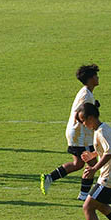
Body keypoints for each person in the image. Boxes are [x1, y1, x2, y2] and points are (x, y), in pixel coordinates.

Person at [41, 63, 100, 198]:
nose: (98, 78)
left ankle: (49, 178)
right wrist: (90, 123)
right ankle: (84, 195)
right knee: (92, 163)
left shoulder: (86, 93)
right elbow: (79, 115)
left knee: (78, 163)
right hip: (80, 135)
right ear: (90, 79)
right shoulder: (86, 95)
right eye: (95, 76)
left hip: (76, 133)